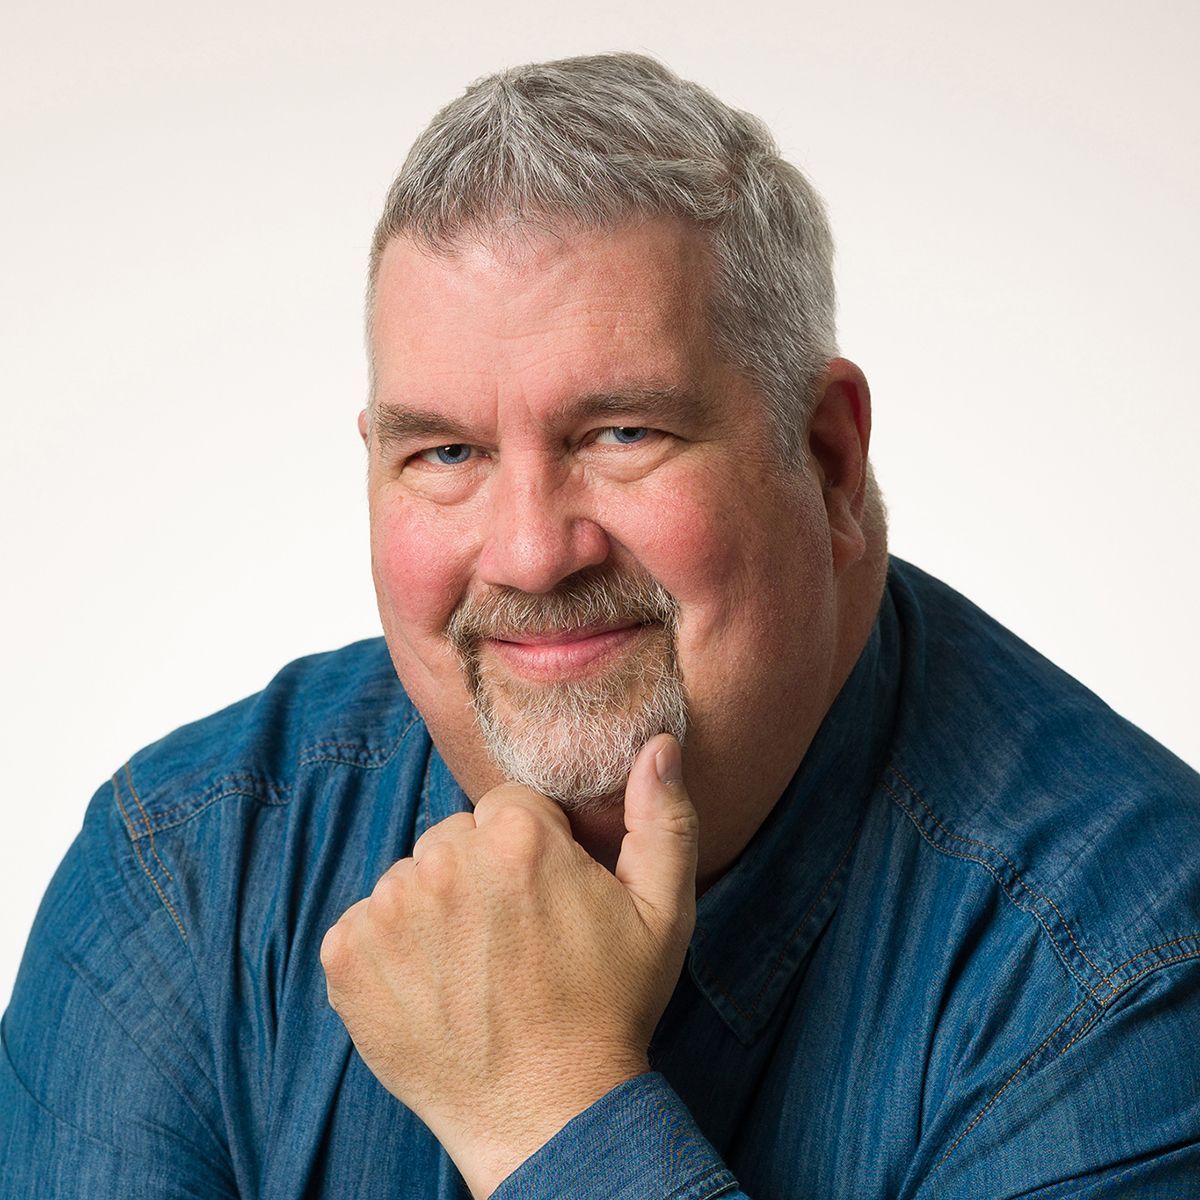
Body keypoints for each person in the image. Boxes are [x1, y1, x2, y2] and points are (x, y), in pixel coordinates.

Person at [2, 51, 1198, 1199]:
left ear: (829, 457)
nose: (531, 552)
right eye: (448, 453)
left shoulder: (1128, 971)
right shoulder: (189, 877)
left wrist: (550, 1115)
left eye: (623, 435)